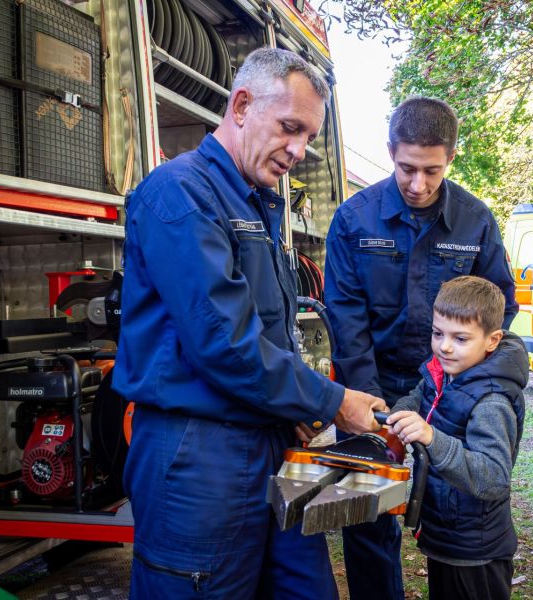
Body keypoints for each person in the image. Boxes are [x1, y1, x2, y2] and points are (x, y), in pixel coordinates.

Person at [113, 48, 386, 599]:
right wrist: (331, 401)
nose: (298, 150)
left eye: (308, 136)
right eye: (290, 129)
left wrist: (299, 409)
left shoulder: (257, 202)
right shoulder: (180, 193)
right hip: (198, 459)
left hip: (268, 439)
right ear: (241, 106)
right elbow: (225, 343)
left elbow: (270, 334)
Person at [324, 97, 518, 600]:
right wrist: (365, 402)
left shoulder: (476, 222)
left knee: (456, 507)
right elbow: (345, 317)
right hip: (372, 383)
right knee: (367, 514)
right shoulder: (353, 220)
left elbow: (499, 308)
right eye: (407, 168)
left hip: (447, 388)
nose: (418, 184)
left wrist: (458, 381)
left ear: (451, 157)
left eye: (432, 171)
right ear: (390, 152)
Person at [386, 276, 528, 600]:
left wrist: (432, 438)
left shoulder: (491, 401)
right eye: (438, 334)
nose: (444, 346)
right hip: (445, 536)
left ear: (492, 340)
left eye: (460, 338)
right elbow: (418, 397)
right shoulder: (445, 372)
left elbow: (493, 478)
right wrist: (394, 416)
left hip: (475, 550)